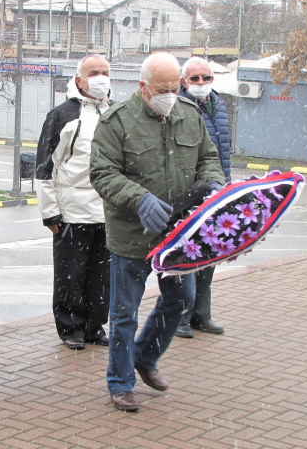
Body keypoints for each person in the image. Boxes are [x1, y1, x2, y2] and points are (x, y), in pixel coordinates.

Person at [90, 52, 225, 412]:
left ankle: (145, 358)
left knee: (182, 299)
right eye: (161, 89)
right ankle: (120, 383)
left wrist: (213, 183)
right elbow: (102, 173)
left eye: (173, 87)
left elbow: (208, 158)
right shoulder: (116, 121)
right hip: (132, 234)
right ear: (142, 87)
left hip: (179, 233)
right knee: (124, 313)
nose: (169, 94)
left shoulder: (189, 115)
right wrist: (139, 199)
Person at [35, 54, 111, 350]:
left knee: (101, 276)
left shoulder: (115, 113)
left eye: (105, 71)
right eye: (94, 72)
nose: (100, 77)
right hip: (71, 213)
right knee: (71, 275)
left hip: (106, 213)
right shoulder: (62, 115)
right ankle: (70, 327)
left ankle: (95, 326)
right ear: (79, 79)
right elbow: (45, 167)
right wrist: (50, 212)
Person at [175, 56, 231, 338]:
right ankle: (179, 318)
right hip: (189, 195)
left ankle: (201, 316)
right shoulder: (177, 106)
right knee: (186, 258)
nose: (200, 83)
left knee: (208, 258)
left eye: (205, 78)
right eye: (194, 78)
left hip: (216, 193)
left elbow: (223, 155)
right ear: (183, 81)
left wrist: (226, 188)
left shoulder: (218, 106)